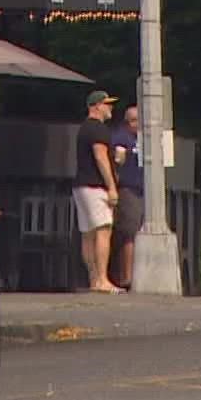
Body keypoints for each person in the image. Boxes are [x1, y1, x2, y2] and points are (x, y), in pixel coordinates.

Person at [73, 89, 121, 294]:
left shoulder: (84, 128)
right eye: (106, 104)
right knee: (103, 230)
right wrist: (111, 187)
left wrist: (117, 159)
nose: (110, 108)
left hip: (81, 186)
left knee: (88, 234)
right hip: (95, 186)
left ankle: (94, 279)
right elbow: (100, 157)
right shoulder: (98, 130)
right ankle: (102, 279)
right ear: (96, 106)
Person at [108, 104, 143, 289]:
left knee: (137, 233)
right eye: (138, 121)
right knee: (129, 233)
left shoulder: (144, 139)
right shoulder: (122, 137)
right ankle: (126, 277)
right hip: (128, 189)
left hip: (143, 190)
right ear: (130, 121)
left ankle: (135, 275)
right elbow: (117, 159)